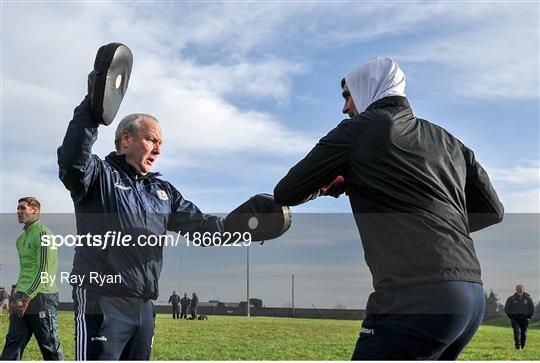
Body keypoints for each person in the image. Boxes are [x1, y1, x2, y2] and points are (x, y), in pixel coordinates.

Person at [274, 57, 504, 360]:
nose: (345, 107)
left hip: (416, 297)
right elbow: (492, 210)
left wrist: (331, 183)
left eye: (347, 95)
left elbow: (287, 191)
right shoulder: (449, 141)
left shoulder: (357, 130)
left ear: (367, 87)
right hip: (471, 298)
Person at [58, 94, 226, 359]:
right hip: (102, 299)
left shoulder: (163, 191)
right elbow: (72, 161)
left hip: (144, 305)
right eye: (152, 140)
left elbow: (203, 226)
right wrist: (93, 107)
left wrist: (249, 224)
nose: (158, 150)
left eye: (161, 143)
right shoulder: (98, 176)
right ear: (126, 139)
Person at [0, 197, 64, 360]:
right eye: (18, 209)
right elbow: (25, 270)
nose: (18, 212)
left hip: (41, 296)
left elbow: (45, 271)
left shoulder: (43, 234)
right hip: (21, 295)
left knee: (50, 347)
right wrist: (16, 296)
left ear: (35, 210)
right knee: (13, 344)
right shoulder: (21, 239)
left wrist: (26, 298)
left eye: (23, 208)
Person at [504, 284, 535, 350]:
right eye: (518, 289)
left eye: (521, 289)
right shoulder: (511, 299)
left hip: (525, 319)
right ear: (516, 290)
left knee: (523, 333)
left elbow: (532, 309)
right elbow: (507, 309)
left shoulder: (528, 298)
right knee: (516, 332)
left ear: (523, 290)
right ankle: (517, 346)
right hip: (515, 319)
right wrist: (511, 317)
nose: (519, 291)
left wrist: (529, 317)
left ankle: (523, 346)